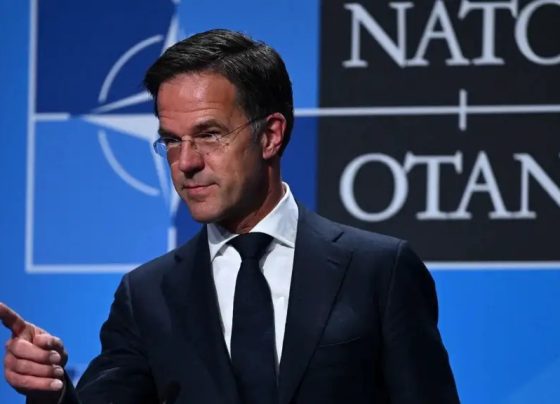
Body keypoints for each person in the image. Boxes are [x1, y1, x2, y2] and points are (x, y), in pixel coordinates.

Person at [1, 29, 460, 403]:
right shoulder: (148, 296)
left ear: (271, 135)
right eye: (172, 140)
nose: (185, 162)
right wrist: (51, 393)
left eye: (209, 134)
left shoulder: (378, 271)